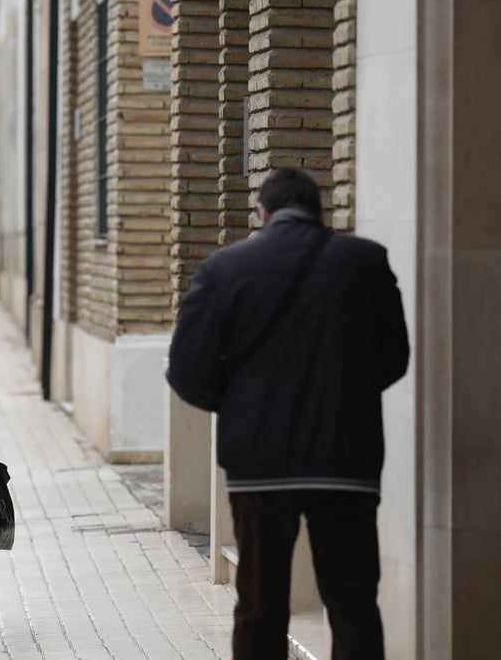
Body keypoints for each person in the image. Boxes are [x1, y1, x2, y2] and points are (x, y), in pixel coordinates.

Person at [166, 167, 409, 660]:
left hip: (259, 465)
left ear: (261, 212)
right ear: (322, 213)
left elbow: (186, 370)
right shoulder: (366, 262)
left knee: (260, 604)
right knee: (352, 601)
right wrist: (348, 398)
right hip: (346, 461)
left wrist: (238, 408)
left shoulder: (223, 269)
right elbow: (394, 357)